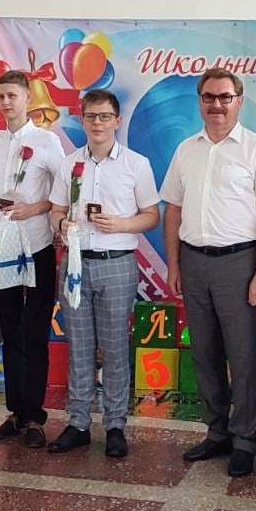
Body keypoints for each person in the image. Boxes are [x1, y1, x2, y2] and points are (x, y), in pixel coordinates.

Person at [161, 67, 256, 477]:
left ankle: (245, 440)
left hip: (240, 263)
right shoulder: (186, 150)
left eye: (225, 97)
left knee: (244, 356)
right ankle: (217, 431)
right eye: (209, 97)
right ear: (199, 101)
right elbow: (173, 210)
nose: (217, 105)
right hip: (193, 262)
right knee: (205, 353)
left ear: (239, 100)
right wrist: (174, 264)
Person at [46, 89, 160, 458]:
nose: (98, 123)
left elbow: (152, 216)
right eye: (91, 116)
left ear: (117, 121)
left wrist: (121, 224)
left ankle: (114, 425)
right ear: (82, 120)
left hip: (117, 263)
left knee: (114, 349)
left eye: (105, 116)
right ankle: (78, 423)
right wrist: (61, 223)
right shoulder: (68, 164)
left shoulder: (136, 164)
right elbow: (55, 210)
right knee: (79, 348)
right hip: (76, 263)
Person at [0, 70, 64, 448]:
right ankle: (15, 411)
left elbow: (63, 194)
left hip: (36, 245)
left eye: (12, 96)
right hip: (2, 246)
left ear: (27, 99)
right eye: (1, 96)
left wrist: (34, 209)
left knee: (34, 332)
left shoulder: (48, 141)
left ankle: (35, 415)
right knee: (10, 330)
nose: (6, 102)